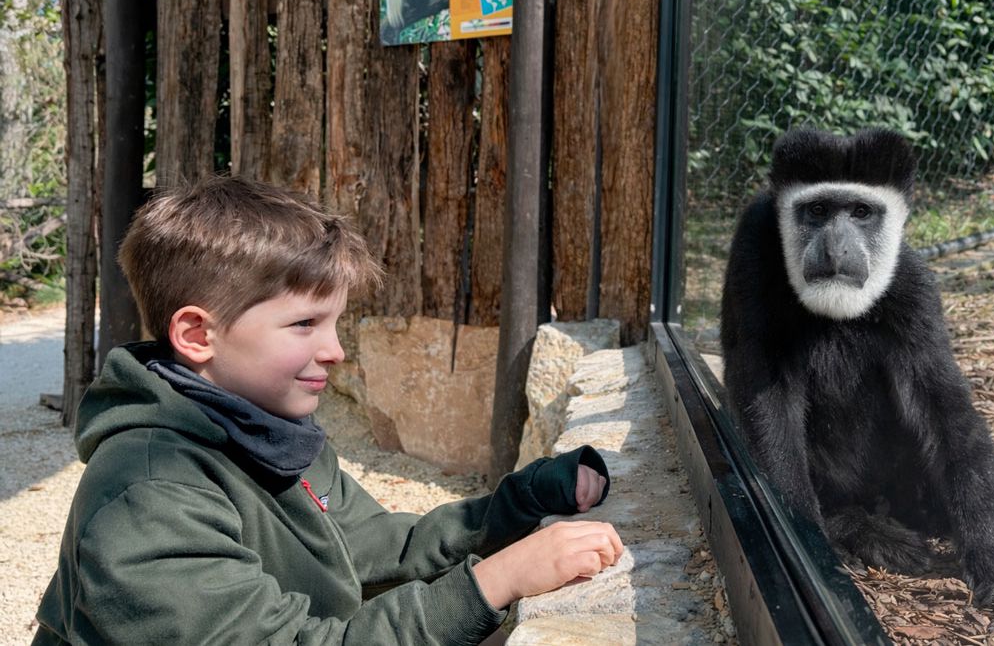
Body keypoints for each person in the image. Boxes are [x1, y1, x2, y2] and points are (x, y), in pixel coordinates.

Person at [33, 176, 623, 644]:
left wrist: (524, 503)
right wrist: (497, 582)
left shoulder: (265, 430)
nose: (335, 350)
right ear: (196, 334)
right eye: (304, 324)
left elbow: (377, 548)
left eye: (335, 322)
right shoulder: (148, 495)